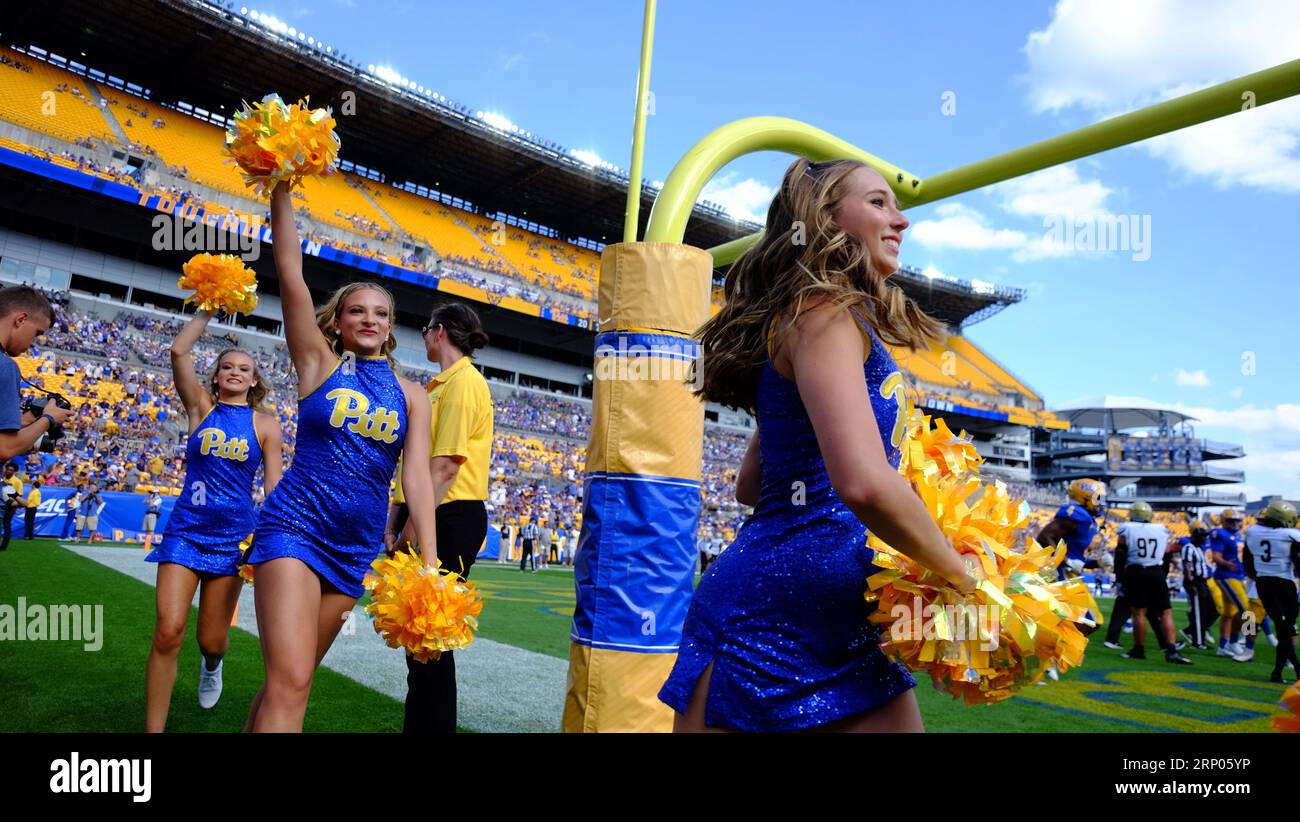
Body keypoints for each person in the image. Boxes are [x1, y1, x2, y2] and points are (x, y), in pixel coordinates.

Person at [657, 158, 978, 732]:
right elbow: (862, 483)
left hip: (838, 616)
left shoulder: (820, 318)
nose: (900, 220)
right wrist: (961, 575)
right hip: (772, 618)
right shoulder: (825, 315)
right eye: (879, 202)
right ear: (825, 217)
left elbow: (750, 484)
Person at [242, 182, 437, 733]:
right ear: (339, 321)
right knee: (292, 681)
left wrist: (429, 563)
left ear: (390, 325)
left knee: (289, 680)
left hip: (355, 546)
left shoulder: (412, 395)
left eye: (379, 312)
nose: (369, 319)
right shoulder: (319, 365)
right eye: (357, 311)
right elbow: (289, 271)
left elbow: (417, 479)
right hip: (295, 527)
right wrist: (280, 187)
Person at [143, 310, 283, 731]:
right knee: (168, 631)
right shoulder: (200, 408)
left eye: (245, 368)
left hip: (234, 540)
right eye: (227, 367)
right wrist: (207, 307)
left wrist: (272, 542)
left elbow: (273, 490)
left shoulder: (267, 425)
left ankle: (211, 665)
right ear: (216, 377)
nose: (236, 373)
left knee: (212, 639)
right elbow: (178, 350)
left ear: (255, 380)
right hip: (185, 532)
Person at [386, 301, 494, 735]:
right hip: (432, 510)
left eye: (427, 328)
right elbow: (416, 463)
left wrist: (413, 526)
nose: (424, 335)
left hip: (449, 514)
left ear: (441, 332)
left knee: (431, 634)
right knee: (417, 635)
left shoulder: (464, 382)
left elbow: (446, 465)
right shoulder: (438, 385)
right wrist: (398, 514)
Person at [0, 286, 74, 472]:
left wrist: (24, 420)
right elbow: (4, 448)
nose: (35, 342)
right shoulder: (5, 366)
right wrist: (48, 419)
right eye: (38, 333)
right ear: (21, 319)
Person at [1114, 502, 1192, 665]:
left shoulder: (1126, 528)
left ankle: (1139, 649)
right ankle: (1171, 651)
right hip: (1156, 572)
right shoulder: (1161, 529)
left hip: (1136, 571)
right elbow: (1166, 553)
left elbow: (1120, 553)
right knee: (1165, 612)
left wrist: (1120, 578)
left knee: (1139, 612)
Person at [1241, 500, 1300, 682]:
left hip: (1260, 584)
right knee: (1252, 618)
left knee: (1283, 628)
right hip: (1280, 585)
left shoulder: (1251, 532)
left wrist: (1257, 575)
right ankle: (1247, 648)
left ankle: (1276, 669)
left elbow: (1247, 563)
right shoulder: (1290, 535)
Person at [1207, 508, 1249, 656]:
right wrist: (1226, 564)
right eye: (1230, 521)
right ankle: (1241, 642)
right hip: (1226, 575)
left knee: (1229, 613)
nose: (1234, 523)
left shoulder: (1237, 535)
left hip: (1237, 575)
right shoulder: (1221, 534)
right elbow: (1216, 557)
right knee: (1247, 610)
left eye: (1236, 521)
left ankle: (1223, 647)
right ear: (1223, 521)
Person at [1178, 519, 1217, 649]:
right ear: (1196, 536)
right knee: (1199, 612)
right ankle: (1198, 642)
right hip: (1195, 581)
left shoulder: (1199, 548)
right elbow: (1187, 566)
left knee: (1213, 610)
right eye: (1203, 536)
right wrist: (1191, 582)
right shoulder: (1188, 548)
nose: (1205, 538)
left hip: (1203, 582)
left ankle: (1189, 631)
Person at [0, 463, 19, 550]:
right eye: (7, 469)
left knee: (7, 525)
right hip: (2, 506)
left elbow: (19, 496)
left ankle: (4, 546)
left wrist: (14, 507)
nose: (8, 471)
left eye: (11, 470)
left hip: (10, 506)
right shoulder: (2, 479)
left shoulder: (17, 482)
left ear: (14, 472)